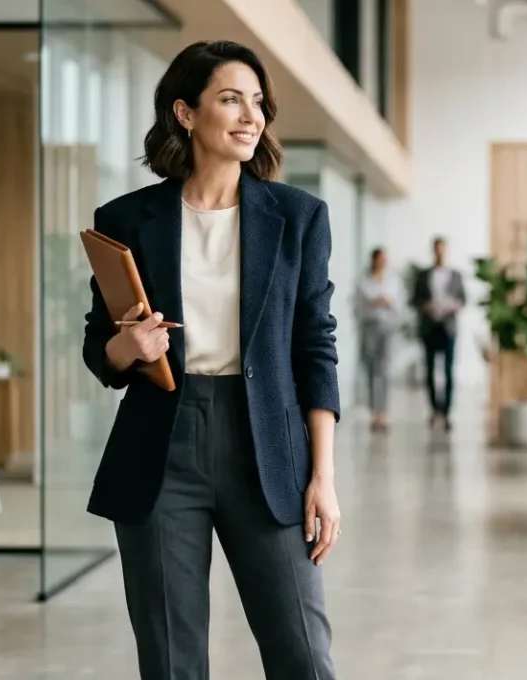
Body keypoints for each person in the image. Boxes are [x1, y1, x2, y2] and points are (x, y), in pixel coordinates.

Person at [80, 41, 341, 680]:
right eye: (231, 99)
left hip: (269, 448)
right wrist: (129, 346)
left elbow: (316, 346)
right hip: (161, 447)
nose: (251, 115)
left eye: (257, 102)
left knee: (303, 656)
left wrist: (324, 476)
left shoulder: (298, 218)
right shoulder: (126, 220)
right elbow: (99, 346)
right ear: (186, 113)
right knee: (171, 662)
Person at [410, 236, 465, 430]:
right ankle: (434, 410)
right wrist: (425, 306)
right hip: (429, 327)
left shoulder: (456, 275)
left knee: (448, 370)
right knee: (430, 371)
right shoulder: (424, 275)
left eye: (442, 249)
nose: (439, 253)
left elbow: (463, 299)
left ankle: (447, 412)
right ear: (433, 251)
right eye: (436, 249)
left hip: (448, 327)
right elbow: (414, 299)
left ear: (446, 250)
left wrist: (453, 306)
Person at [353, 247, 402, 431]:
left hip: (387, 329)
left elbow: (395, 303)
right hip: (369, 329)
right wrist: (379, 302)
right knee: (372, 370)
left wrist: (378, 302)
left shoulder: (393, 280)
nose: (383, 262)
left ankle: (384, 412)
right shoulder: (363, 280)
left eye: (385, 259)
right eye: (380, 259)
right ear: (373, 260)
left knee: (384, 371)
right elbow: (360, 306)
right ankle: (374, 412)